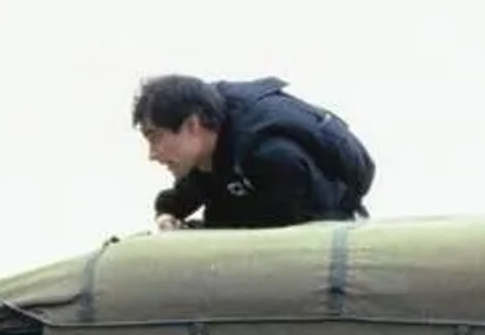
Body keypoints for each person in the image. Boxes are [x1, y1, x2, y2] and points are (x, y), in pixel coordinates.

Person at [133, 74, 375, 230]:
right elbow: (198, 185)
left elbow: (302, 232)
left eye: (155, 137)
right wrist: (167, 212)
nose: (152, 154)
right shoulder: (209, 149)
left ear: (192, 125)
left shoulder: (272, 156)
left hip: (322, 218)